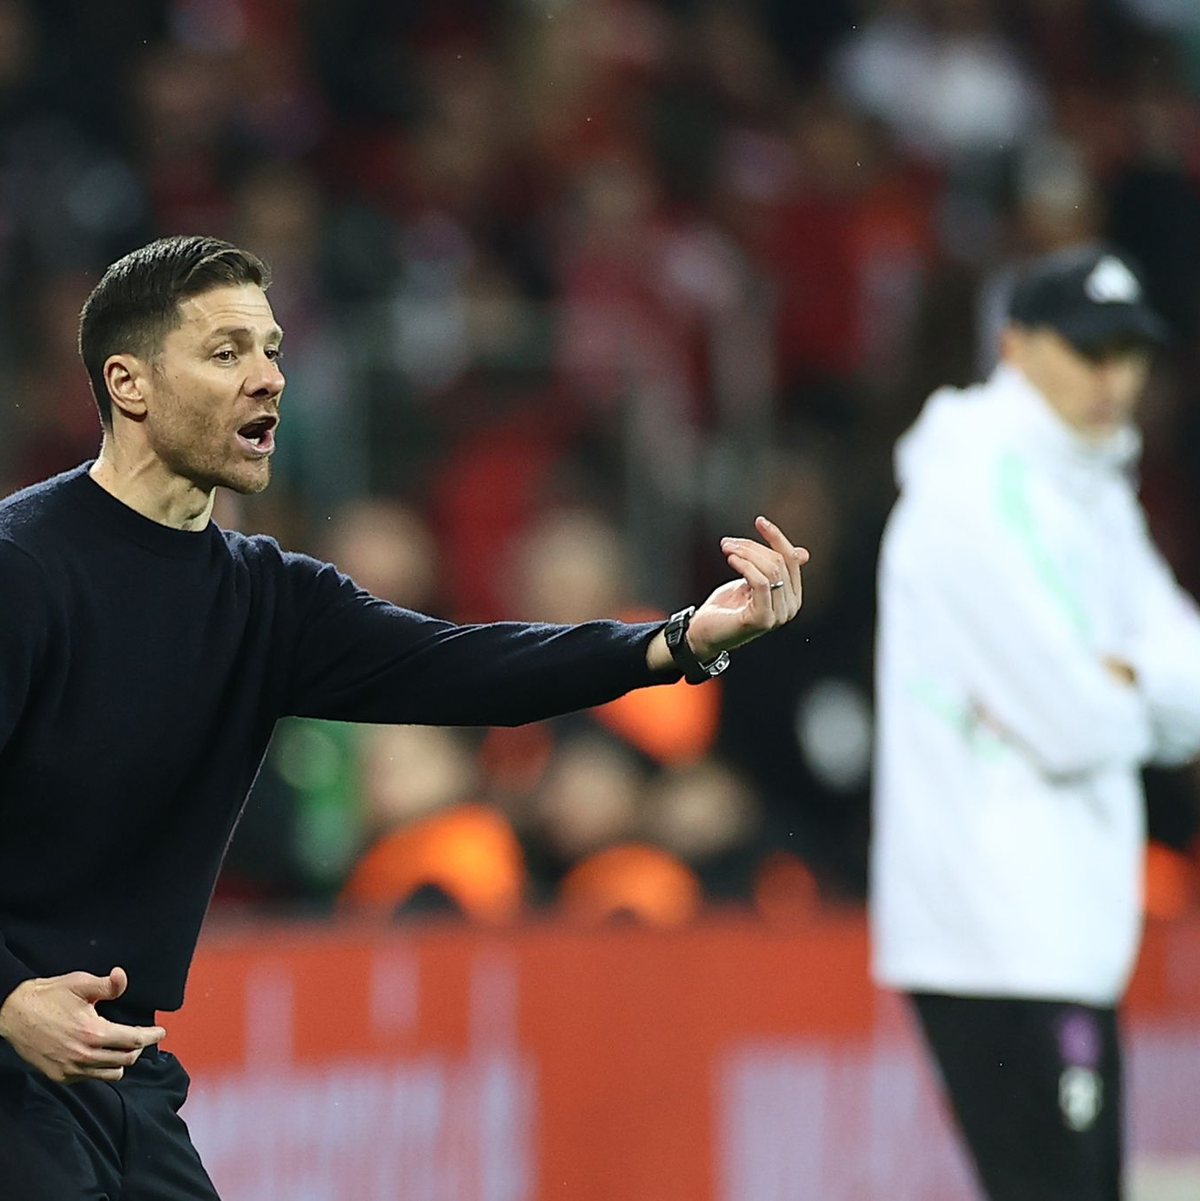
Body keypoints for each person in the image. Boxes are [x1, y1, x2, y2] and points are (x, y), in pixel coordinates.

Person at [0, 234, 809, 1198]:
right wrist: (7, 1001)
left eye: (273, 350)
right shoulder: (24, 570)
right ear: (127, 384)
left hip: (118, 1072)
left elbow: (462, 667)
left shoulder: (269, 599)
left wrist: (678, 639)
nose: (267, 379)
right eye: (226, 354)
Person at [871, 243, 1200, 1201]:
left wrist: (1124, 673)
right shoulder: (973, 492)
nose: (1113, 377)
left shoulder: (1088, 487)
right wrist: (1137, 684)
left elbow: (1167, 669)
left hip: (1059, 929)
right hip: (996, 932)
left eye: (1131, 352)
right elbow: (1076, 722)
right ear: (1014, 346)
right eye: (1089, 348)